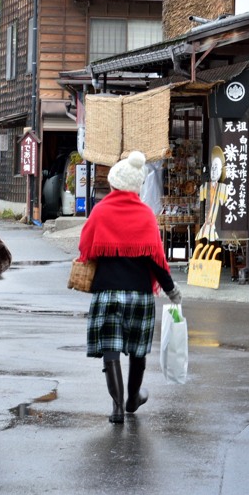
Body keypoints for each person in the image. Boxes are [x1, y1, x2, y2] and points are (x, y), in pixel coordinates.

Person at [78, 150, 182, 424]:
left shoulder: (100, 211)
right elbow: (157, 258)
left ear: (113, 184)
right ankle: (133, 398)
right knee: (138, 351)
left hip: (108, 292)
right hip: (140, 295)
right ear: (137, 187)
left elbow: (85, 248)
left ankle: (116, 409)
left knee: (110, 350)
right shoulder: (146, 215)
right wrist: (171, 290)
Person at [195, 145, 228, 242]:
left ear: (221, 171)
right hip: (206, 219)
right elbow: (200, 200)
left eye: (216, 168)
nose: (213, 171)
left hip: (214, 222)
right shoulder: (205, 186)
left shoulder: (223, 188)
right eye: (212, 168)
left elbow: (223, 202)